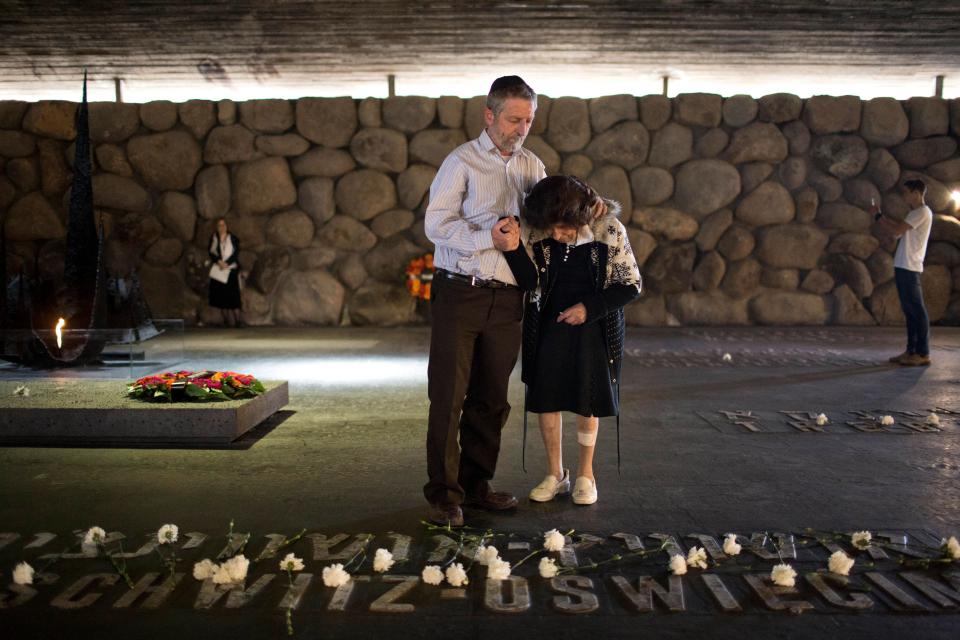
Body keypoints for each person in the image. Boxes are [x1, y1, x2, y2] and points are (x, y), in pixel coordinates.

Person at [423, 75, 545, 527]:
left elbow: (541, 228)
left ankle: (476, 487)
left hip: (508, 299)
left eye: (528, 120)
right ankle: (443, 495)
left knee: (492, 400)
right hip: (461, 293)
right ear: (489, 115)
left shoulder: (534, 167)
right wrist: (486, 238)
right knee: (449, 397)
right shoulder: (461, 162)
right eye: (514, 119)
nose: (521, 128)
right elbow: (435, 225)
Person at [501, 175, 642, 505]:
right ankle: (555, 474)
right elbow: (529, 281)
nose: (557, 235)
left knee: (586, 397)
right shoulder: (538, 230)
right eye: (553, 227)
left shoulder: (610, 230)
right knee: (546, 397)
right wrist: (512, 252)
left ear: (583, 216)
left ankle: (585, 475)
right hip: (548, 323)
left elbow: (631, 284)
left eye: (564, 227)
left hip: (593, 325)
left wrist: (589, 308)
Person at [873, 179, 933, 366]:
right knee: (910, 310)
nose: (904, 196)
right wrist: (882, 218)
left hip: (910, 266)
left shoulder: (922, 212)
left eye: (906, 192)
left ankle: (922, 352)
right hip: (904, 265)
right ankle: (911, 350)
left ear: (916, 193)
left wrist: (878, 217)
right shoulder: (914, 213)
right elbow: (898, 232)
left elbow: (897, 229)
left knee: (917, 310)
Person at [208, 217, 243, 327]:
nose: (222, 227)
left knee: (233, 297)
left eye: (223, 225)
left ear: (227, 226)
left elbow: (235, 253)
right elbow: (211, 252)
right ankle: (227, 322)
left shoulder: (233, 238)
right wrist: (219, 261)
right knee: (222, 297)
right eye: (219, 225)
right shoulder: (214, 238)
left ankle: (237, 321)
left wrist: (226, 263)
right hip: (219, 270)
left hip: (230, 269)